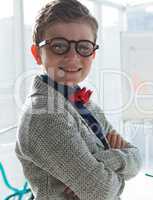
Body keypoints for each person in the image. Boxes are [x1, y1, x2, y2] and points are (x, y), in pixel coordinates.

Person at [15, 0, 141, 199]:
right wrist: (115, 167)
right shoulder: (44, 113)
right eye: (58, 46)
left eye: (83, 47)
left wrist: (98, 164)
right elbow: (101, 191)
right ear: (37, 54)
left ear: (93, 53)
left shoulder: (83, 101)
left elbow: (137, 156)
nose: (73, 57)